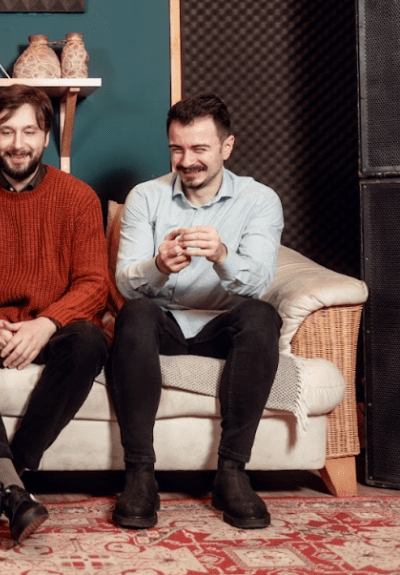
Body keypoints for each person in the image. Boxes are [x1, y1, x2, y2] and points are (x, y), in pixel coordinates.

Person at [0, 84, 110, 543]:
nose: (18, 143)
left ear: (47, 137)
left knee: (90, 340)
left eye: (29, 131)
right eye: (6, 131)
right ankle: (13, 491)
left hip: (53, 329)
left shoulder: (79, 198)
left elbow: (93, 283)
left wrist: (46, 323)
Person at [109, 93, 283, 530]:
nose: (187, 161)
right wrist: (158, 266)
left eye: (199, 149)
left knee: (262, 316)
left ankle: (232, 472)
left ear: (227, 147)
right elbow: (125, 284)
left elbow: (258, 284)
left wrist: (222, 255)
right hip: (163, 324)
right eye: (177, 149)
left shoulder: (260, 200)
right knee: (136, 314)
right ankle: (140, 474)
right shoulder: (145, 197)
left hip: (222, 327)